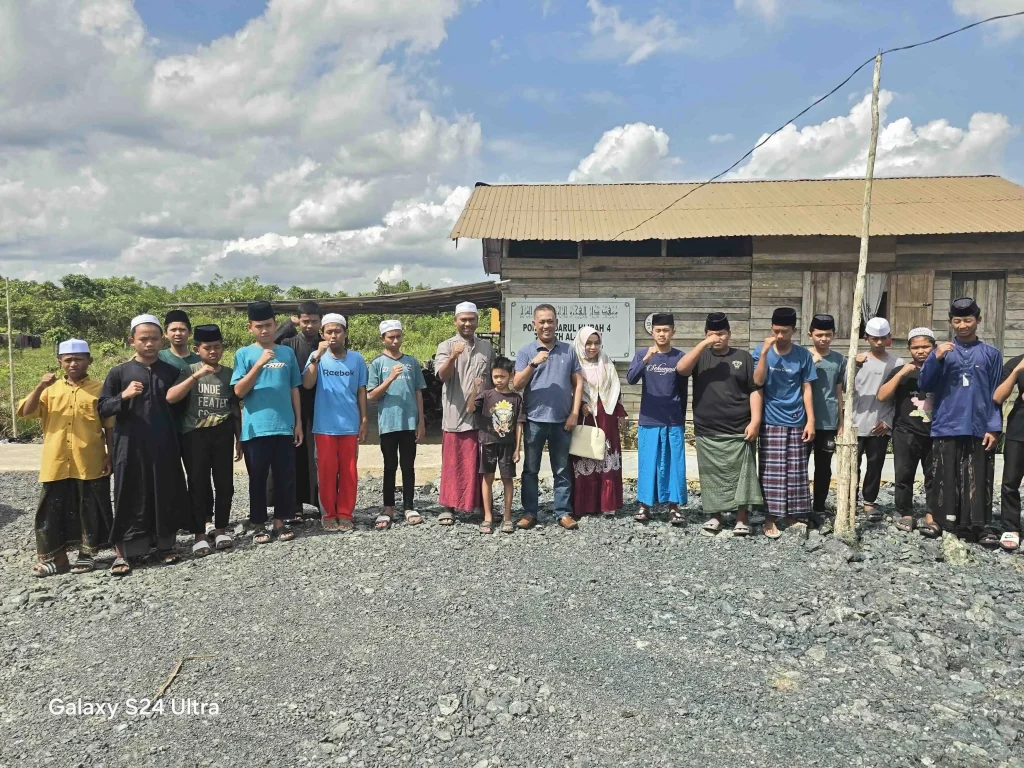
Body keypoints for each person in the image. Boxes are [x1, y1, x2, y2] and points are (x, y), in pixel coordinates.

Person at [98, 315, 203, 575]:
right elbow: (102, 407)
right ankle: (126, 551)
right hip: (129, 446)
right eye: (143, 339)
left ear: (161, 340)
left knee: (165, 491)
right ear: (131, 341)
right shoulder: (119, 372)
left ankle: (166, 545)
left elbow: (182, 408)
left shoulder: (171, 372)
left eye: (154, 339)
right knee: (129, 493)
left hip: (164, 443)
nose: (149, 344)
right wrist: (123, 396)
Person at [17, 339, 114, 576]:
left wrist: (111, 455)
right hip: (56, 462)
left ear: (89, 361)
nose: (73, 364)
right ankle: (57, 558)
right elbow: (26, 413)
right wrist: (40, 386)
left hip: (89, 460)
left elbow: (110, 427)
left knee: (88, 509)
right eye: (68, 359)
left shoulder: (100, 389)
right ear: (59, 362)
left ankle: (86, 555)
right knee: (51, 510)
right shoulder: (49, 390)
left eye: (78, 359)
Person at [919, 297, 1003, 545]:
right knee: (944, 475)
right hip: (947, 422)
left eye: (968, 320)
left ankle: (980, 526)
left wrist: (994, 427)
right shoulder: (942, 352)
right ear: (950, 323)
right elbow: (924, 384)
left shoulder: (991, 354)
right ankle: (942, 522)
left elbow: (996, 393)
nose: (963, 325)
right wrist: (935, 357)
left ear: (978, 320)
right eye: (957, 321)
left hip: (979, 425)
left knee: (979, 476)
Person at [675, 312, 763, 536]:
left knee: (743, 476)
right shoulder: (700, 357)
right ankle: (715, 516)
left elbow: (754, 390)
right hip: (708, 428)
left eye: (721, 333)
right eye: (712, 334)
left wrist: (755, 421)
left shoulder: (743, 357)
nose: (717, 338)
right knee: (711, 476)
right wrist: (703, 344)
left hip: (739, 428)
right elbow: (681, 369)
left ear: (729, 334)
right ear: (705, 334)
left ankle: (741, 518)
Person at [231, 301, 302, 544]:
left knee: (284, 476)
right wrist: (260, 364)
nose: (264, 330)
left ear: (275, 324)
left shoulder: (287, 353)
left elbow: (294, 388)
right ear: (250, 327)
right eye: (259, 326)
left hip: (284, 425)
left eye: (269, 325)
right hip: (256, 428)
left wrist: (298, 422)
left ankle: (281, 521)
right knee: (258, 478)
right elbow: (239, 391)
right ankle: (259, 523)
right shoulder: (243, 354)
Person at [166, 324, 242, 552]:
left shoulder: (229, 373)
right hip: (194, 434)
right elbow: (171, 397)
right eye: (207, 348)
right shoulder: (188, 370)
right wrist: (196, 376)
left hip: (222, 433)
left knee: (225, 484)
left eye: (217, 347)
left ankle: (221, 530)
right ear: (197, 349)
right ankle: (199, 533)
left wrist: (239, 438)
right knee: (198, 484)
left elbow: (235, 407)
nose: (213, 352)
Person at [513, 304, 584, 530]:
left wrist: (574, 413)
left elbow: (578, 383)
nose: (546, 325)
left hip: (562, 421)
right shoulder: (526, 352)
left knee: (561, 470)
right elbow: (517, 384)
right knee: (530, 470)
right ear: (534, 325)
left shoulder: (568, 350)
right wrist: (533, 363)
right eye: (542, 321)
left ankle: (563, 512)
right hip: (534, 420)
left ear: (556, 323)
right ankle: (529, 512)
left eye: (550, 321)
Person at [753, 307, 817, 538]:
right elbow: (757, 381)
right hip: (771, 419)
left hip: (797, 418)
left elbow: (807, 388)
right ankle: (770, 517)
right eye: (776, 331)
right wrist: (763, 354)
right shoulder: (761, 351)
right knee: (772, 471)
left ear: (794, 331)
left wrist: (810, 421)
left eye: (785, 331)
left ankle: (791, 514)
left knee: (796, 469)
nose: (779, 336)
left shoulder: (802, 355)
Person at [303, 313, 368, 532]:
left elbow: (361, 390)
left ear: (345, 333)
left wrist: (364, 419)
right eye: (329, 332)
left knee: (349, 472)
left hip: (349, 425)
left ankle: (345, 513)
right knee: (327, 472)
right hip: (324, 426)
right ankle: (328, 514)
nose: (333, 336)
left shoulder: (357, 359)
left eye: (337, 331)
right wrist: (317, 357)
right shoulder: (316, 357)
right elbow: (307, 384)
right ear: (322, 334)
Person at [435, 301, 495, 526]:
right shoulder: (445, 346)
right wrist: (453, 356)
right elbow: (442, 376)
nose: (467, 323)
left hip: (481, 417)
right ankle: (449, 506)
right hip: (455, 416)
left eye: (471, 319)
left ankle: (479, 504)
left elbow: (494, 378)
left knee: (479, 462)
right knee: (454, 462)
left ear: (477, 321)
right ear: (455, 321)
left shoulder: (486, 347)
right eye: (463, 320)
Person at [626, 313, 688, 525]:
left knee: (673, 464)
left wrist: (681, 417)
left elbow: (683, 389)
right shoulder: (642, 354)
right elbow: (631, 379)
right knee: (648, 463)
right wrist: (646, 359)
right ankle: (645, 505)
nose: (662, 334)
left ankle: (673, 507)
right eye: (658, 330)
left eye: (666, 330)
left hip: (673, 419)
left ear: (673, 332)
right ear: (652, 332)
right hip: (649, 419)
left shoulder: (679, 357)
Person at [367, 320, 427, 530]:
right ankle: (388, 507)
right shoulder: (377, 363)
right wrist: (391, 377)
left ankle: (409, 506)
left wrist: (421, 421)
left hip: (409, 423)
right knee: (390, 466)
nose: (395, 340)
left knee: (408, 466)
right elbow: (372, 395)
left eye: (398, 336)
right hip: (388, 424)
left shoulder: (411, 362)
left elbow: (418, 392)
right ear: (382, 339)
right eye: (390, 337)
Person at [877, 328, 936, 534]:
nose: (921, 351)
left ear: (934, 347)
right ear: (909, 349)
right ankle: (905, 513)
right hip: (905, 430)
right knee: (903, 473)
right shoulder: (901, 371)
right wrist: (902, 373)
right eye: (915, 347)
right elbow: (882, 396)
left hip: (936, 431)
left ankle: (932, 514)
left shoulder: (942, 369)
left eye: (925, 346)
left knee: (934, 475)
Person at [271, 301, 322, 519]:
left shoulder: (325, 344)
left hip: (322, 405)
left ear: (321, 321)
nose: (309, 326)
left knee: (317, 456)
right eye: (305, 321)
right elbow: (269, 342)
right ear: (298, 321)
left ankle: (321, 502)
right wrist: (287, 324)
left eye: (314, 321)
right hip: (294, 404)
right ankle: (295, 504)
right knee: (295, 455)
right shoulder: (288, 343)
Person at [570, 327, 626, 517]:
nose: (592, 347)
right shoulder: (574, 363)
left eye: (596, 343)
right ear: (581, 344)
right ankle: (585, 504)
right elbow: (569, 388)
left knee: (606, 455)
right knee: (585, 453)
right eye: (588, 343)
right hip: (584, 416)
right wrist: (581, 404)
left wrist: (620, 414)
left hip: (606, 415)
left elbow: (616, 389)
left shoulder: (606, 361)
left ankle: (607, 503)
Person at [466, 356, 525, 534]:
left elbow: (519, 424)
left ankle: (507, 517)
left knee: (508, 479)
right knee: (487, 478)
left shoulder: (516, 398)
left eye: (502, 376)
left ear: (511, 376)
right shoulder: (486, 395)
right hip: (488, 443)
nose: (499, 380)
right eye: (495, 377)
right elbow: (470, 409)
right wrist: (475, 389)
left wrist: (517, 448)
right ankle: (488, 517)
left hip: (508, 445)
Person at [852, 317, 903, 521]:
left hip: (880, 424)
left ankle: (869, 502)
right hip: (855, 423)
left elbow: (899, 399)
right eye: (875, 338)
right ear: (866, 338)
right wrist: (854, 366)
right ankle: (849, 501)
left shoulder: (897, 363)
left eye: (883, 338)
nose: (879, 342)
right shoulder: (856, 360)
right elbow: (845, 389)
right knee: (852, 466)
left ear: (889, 337)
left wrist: (888, 421)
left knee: (875, 465)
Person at [807, 314, 846, 522]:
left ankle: (819, 506)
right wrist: (810, 364)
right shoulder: (802, 356)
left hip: (828, 420)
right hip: (803, 420)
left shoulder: (839, 360)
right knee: (799, 465)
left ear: (834, 335)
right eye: (819, 335)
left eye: (828, 335)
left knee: (824, 466)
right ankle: (800, 506)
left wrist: (841, 421)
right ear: (810, 335)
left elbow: (838, 392)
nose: (823, 339)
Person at [994, 351, 1024, 551]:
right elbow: (998, 397)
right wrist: (1016, 371)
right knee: (1010, 482)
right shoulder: (1016, 362)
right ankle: (1011, 527)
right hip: (1019, 428)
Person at [159, 309, 201, 375]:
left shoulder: (199, 359)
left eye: (182, 330)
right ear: (165, 333)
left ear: (190, 332)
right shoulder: (159, 357)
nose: (178, 333)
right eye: (173, 330)